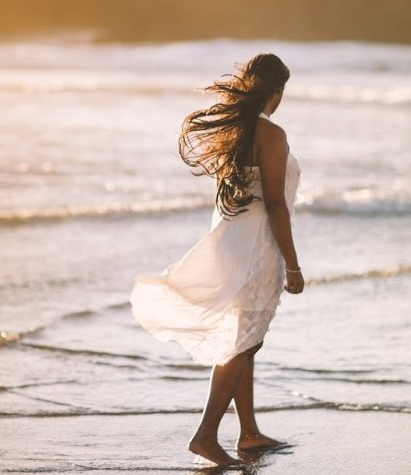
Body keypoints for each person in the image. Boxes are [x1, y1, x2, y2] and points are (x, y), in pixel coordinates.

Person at [130, 53, 304, 467]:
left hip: (232, 241)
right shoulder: (271, 134)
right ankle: (206, 436)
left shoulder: (237, 131)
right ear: (276, 92)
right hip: (256, 246)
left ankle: (248, 433)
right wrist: (293, 265)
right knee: (241, 343)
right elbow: (276, 205)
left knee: (246, 341)